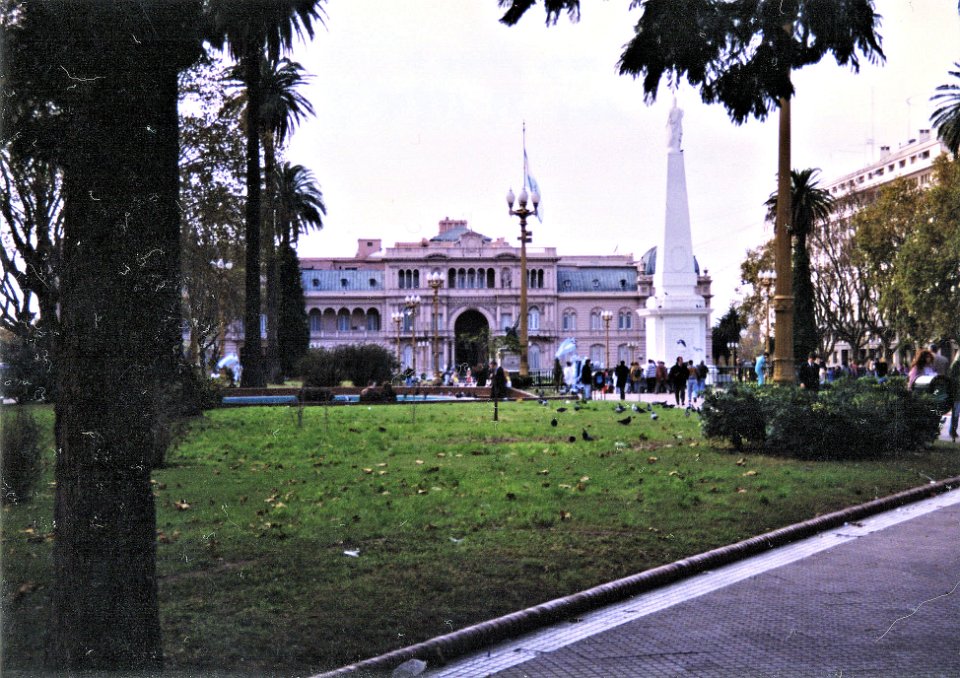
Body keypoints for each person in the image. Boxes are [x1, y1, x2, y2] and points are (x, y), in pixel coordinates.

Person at [948, 352, 959, 443]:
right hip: (957, 395)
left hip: (957, 394)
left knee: (956, 414)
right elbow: (952, 379)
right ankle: (952, 431)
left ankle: (953, 431)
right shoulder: (955, 365)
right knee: (955, 414)